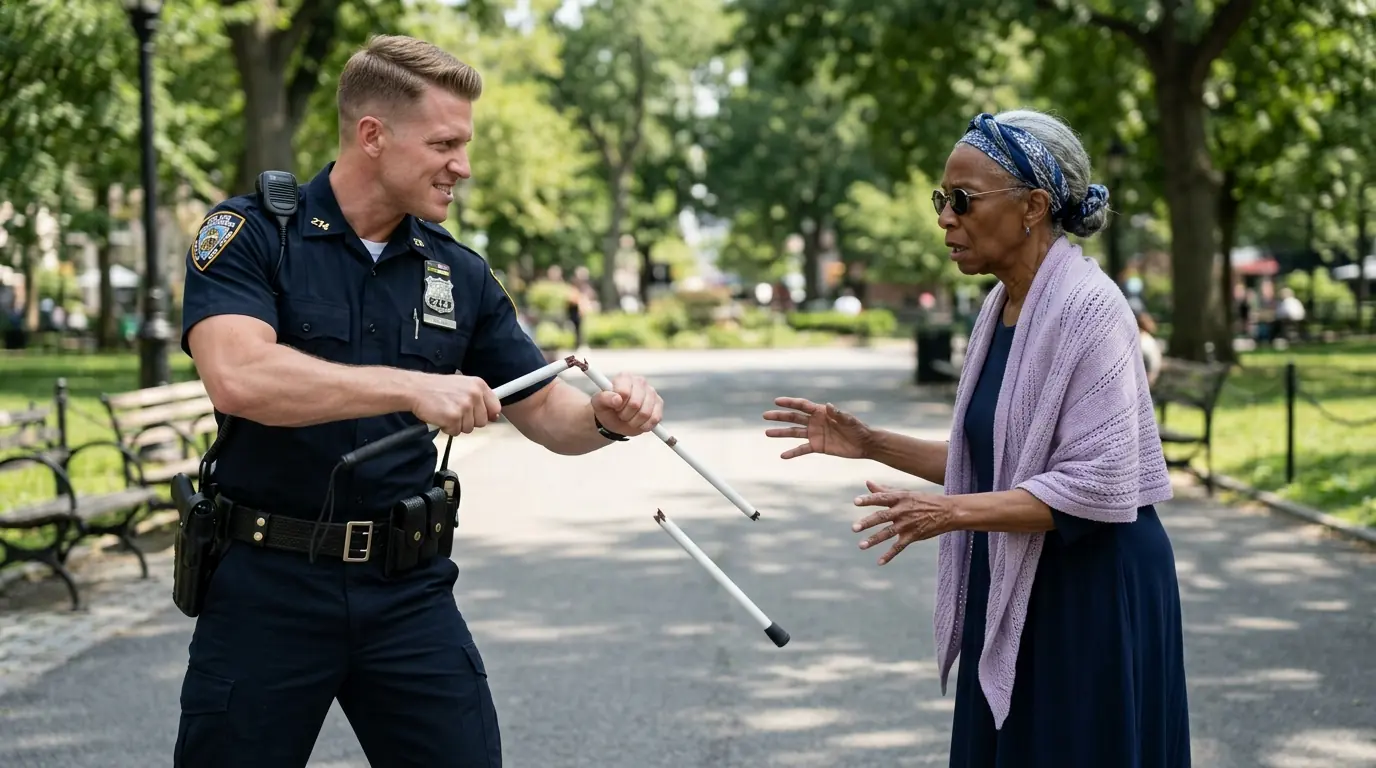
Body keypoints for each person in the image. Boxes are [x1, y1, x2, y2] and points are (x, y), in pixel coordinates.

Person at [175, 34, 664, 767]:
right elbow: (240, 376)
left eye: (463, 145)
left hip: (406, 591)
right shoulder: (251, 235)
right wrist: (411, 385)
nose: (461, 167)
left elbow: (547, 413)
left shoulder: (459, 273)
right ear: (373, 135)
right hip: (266, 585)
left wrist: (606, 418)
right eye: (444, 143)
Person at [763, 110, 1190, 767]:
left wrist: (951, 513)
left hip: (1094, 593)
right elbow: (994, 465)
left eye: (962, 200)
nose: (944, 218)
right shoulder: (1001, 307)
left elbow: (1097, 486)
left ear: (1033, 207)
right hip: (1024, 575)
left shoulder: (1090, 308)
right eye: (941, 199)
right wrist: (870, 442)